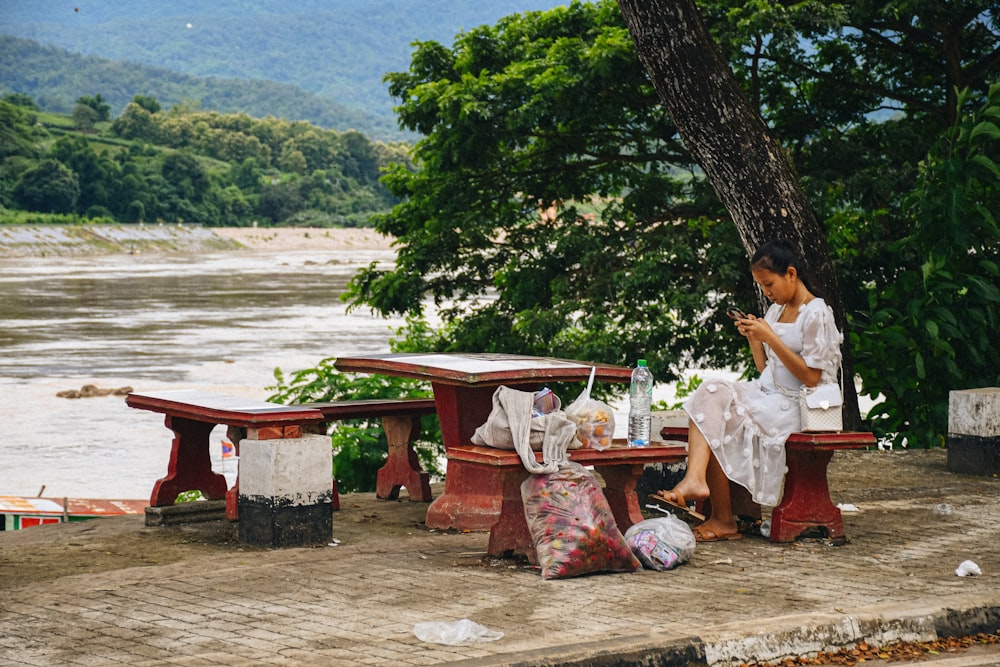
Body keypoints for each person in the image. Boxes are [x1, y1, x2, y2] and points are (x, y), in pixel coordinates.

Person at [655, 240, 843, 542]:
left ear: (791, 274)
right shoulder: (776, 310)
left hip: (798, 405)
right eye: (761, 286)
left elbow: (811, 376)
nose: (767, 292)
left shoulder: (816, 313)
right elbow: (766, 369)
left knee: (720, 415)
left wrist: (771, 337)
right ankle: (697, 483)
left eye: (769, 284)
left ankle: (721, 516)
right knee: (711, 393)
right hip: (767, 393)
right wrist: (756, 340)